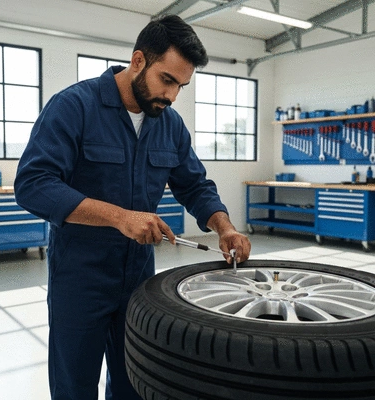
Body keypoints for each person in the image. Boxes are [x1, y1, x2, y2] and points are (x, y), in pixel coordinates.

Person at [14, 14, 251, 400]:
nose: (172, 96)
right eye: (167, 80)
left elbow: (195, 185)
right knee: (74, 386)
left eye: (182, 86)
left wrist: (224, 227)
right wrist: (120, 217)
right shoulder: (74, 107)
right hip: (80, 276)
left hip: (140, 277)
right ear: (138, 61)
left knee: (136, 382)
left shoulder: (170, 125)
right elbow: (33, 184)